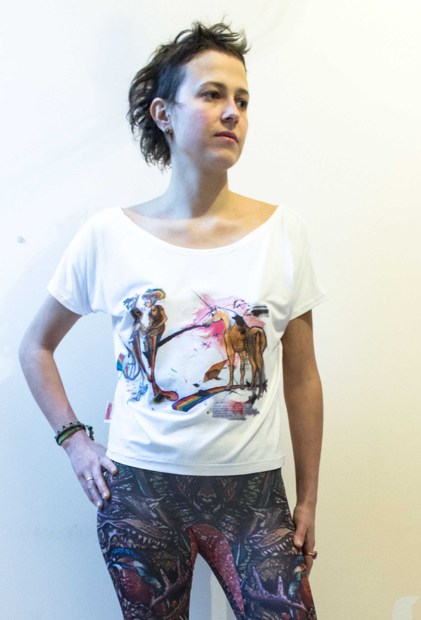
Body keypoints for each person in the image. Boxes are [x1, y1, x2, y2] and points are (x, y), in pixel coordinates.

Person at [19, 22, 324, 620]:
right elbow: (36, 347)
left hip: (255, 495)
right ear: (163, 112)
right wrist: (74, 441)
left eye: (242, 100)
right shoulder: (108, 236)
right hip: (140, 495)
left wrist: (310, 497)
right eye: (212, 94)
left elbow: (303, 375)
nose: (232, 112)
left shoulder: (282, 233)